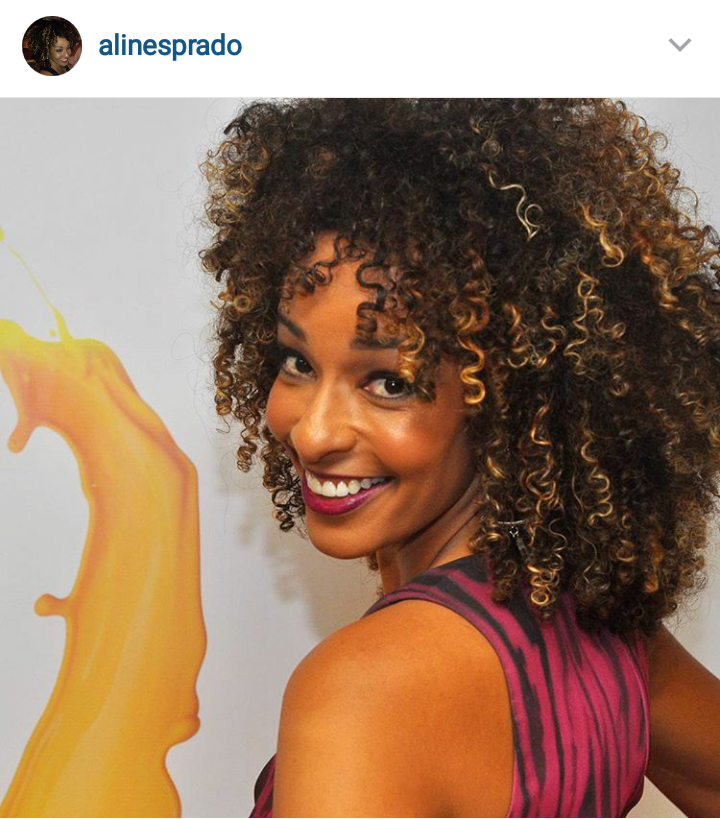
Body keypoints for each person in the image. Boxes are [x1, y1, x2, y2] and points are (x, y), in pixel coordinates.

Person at [201, 99, 720, 817]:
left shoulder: (363, 692)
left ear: (508, 396)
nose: (313, 433)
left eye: (389, 382)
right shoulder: (603, 627)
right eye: (297, 362)